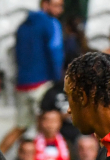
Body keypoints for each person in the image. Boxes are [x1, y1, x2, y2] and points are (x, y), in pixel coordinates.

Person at [12, 0, 66, 143]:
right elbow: (55, 51)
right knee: (47, 126)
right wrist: (58, 79)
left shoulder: (23, 25)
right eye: (57, 5)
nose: (60, 10)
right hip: (43, 82)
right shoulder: (51, 23)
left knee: (21, 126)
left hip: (22, 83)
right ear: (45, 4)